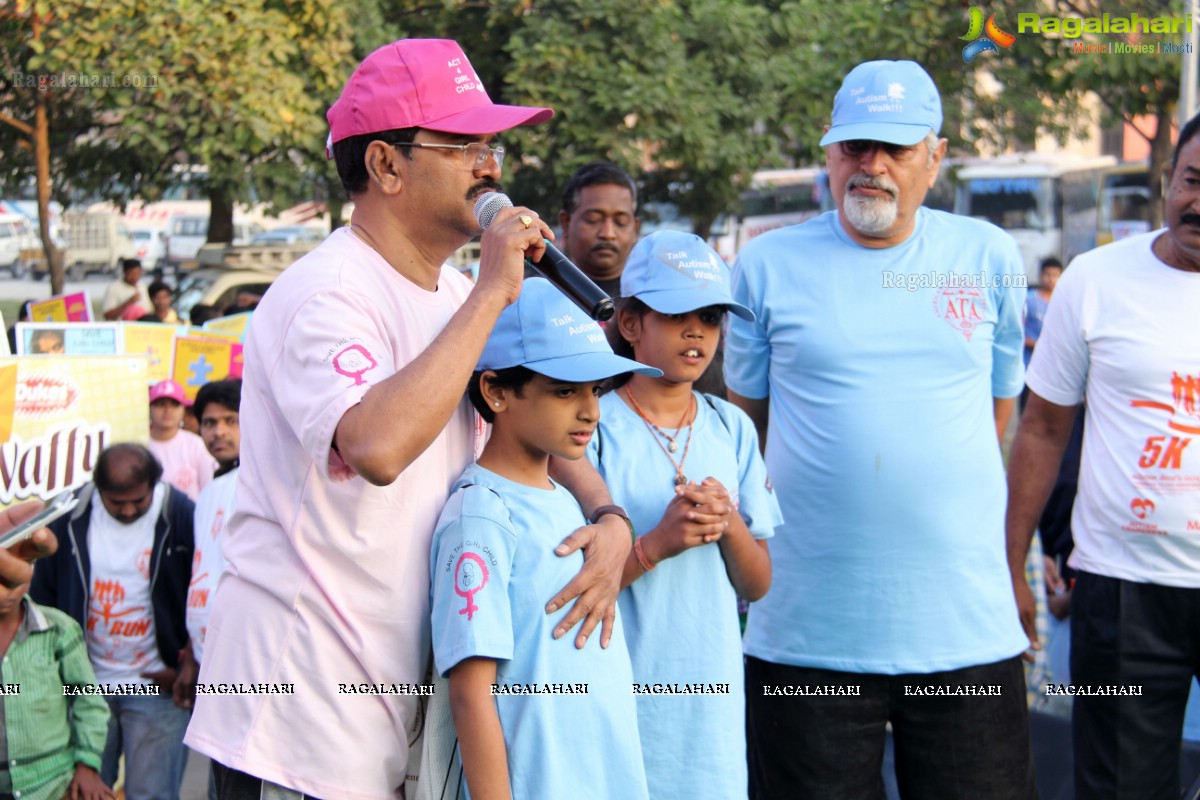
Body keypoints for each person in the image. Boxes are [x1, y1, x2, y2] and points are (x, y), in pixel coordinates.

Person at [184, 38, 634, 800]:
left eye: (490, 144)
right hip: (300, 716)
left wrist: (610, 515)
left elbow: (530, 425)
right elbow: (377, 445)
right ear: (386, 166)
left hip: (399, 707)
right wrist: (494, 289)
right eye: (462, 144)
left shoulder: (455, 297)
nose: (490, 165)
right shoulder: (325, 294)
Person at [725, 60, 1035, 798]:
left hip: (965, 630)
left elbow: (998, 413)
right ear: (829, 151)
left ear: (936, 155)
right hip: (806, 633)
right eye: (855, 146)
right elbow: (747, 424)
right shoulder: (765, 266)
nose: (872, 166)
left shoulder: (989, 257)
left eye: (895, 148)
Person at [1007, 113, 1200, 799]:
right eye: (1190, 181)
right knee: (1117, 788)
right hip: (1119, 599)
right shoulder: (1095, 279)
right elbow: (1042, 431)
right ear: (1168, 180)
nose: (1197, 203)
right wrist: (1014, 563)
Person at [431, 277, 656, 799]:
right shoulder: (481, 516)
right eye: (564, 390)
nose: (590, 411)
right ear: (495, 391)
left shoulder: (565, 499)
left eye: (595, 390)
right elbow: (470, 694)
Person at [592, 230, 779, 799]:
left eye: (712, 316)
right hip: (620, 704)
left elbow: (759, 581)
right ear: (630, 324)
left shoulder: (731, 427)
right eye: (677, 315)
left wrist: (730, 525)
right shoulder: (591, 427)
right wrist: (656, 544)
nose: (697, 331)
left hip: (711, 726)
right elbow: (569, 590)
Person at [30, 443, 196, 800]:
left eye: (138, 500)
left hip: (157, 688)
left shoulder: (180, 513)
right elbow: (43, 598)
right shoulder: (67, 515)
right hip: (84, 687)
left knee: (152, 794)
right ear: (98, 490)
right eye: (115, 502)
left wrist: (188, 661)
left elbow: (205, 593)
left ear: (154, 484)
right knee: (80, 791)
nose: (127, 510)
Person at [0, 564, 114, 800]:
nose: (6, 592)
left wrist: (87, 765)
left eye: (13, 580)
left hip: (51, 784)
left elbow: (89, 700)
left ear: (29, 572)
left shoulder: (58, 630)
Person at [175, 378, 242, 709]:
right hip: (207, 659)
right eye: (210, 423)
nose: (219, 432)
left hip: (246, 665)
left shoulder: (259, 485)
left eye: (232, 420)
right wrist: (191, 656)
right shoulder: (209, 492)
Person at [558, 161, 640, 299]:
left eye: (621, 222)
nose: (608, 234)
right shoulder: (537, 295)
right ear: (566, 223)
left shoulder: (651, 301)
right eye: (593, 219)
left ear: (635, 228)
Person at [146, 379, 215, 502]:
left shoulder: (197, 445)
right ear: (150, 408)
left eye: (174, 404)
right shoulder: (139, 445)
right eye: (161, 404)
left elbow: (210, 489)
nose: (168, 410)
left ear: (183, 410)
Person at [1021, 256, 1062, 412]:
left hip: (1054, 369)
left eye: (1055, 275)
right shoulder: (1028, 300)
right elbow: (1016, 332)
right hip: (1029, 366)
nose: (1050, 279)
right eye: (1047, 274)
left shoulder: (1063, 301)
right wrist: (1037, 344)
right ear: (1040, 275)